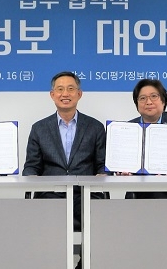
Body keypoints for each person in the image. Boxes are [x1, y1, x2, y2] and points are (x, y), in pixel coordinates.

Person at [23, 71, 105, 269]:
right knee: (48, 243)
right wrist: (30, 177)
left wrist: (102, 176)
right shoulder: (39, 128)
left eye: (71, 89)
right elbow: (31, 166)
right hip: (51, 196)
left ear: (80, 94)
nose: (65, 93)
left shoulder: (95, 127)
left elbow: (102, 164)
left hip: (86, 197)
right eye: (59, 89)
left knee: (99, 232)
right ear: (52, 95)